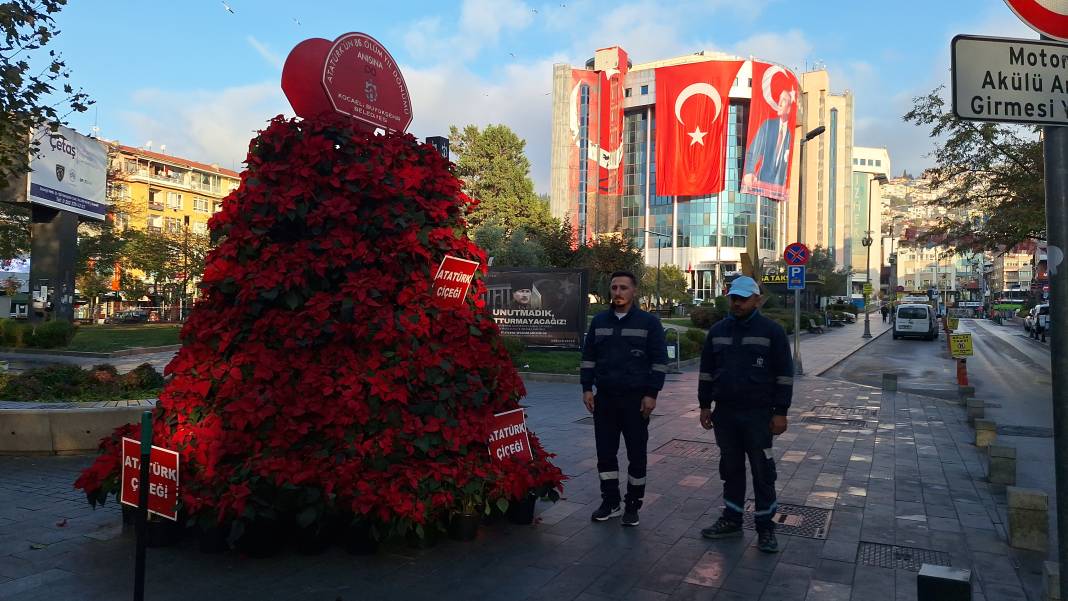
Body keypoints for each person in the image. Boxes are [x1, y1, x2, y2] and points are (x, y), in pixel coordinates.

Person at [697, 276, 793, 553]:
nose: (736, 303)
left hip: (759, 415)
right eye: (733, 297)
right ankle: (732, 519)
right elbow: (706, 372)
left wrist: (781, 412)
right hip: (725, 414)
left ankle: (765, 528)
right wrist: (705, 405)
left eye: (743, 298)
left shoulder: (772, 332)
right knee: (731, 470)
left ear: (757, 300)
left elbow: (784, 375)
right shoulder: (717, 331)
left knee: (763, 472)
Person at [580, 271, 668, 527]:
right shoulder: (599, 322)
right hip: (605, 400)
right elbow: (588, 358)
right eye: (614, 287)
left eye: (623, 288)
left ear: (634, 291)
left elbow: (659, 362)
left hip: (636, 401)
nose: (618, 292)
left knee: (636, 455)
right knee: (605, 455)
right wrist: (587, 388)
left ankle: (632, 504)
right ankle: (610, 502)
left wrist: (652, 394)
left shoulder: (648, 323)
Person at [742, 89, 795, 191]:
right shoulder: (768, 125)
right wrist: (749, 171)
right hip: (762, 184)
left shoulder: (790, 134)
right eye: (779, 99)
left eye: (783, 100)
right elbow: (754, 151)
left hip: (778, 189)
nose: (779, 103)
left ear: (789, 109)